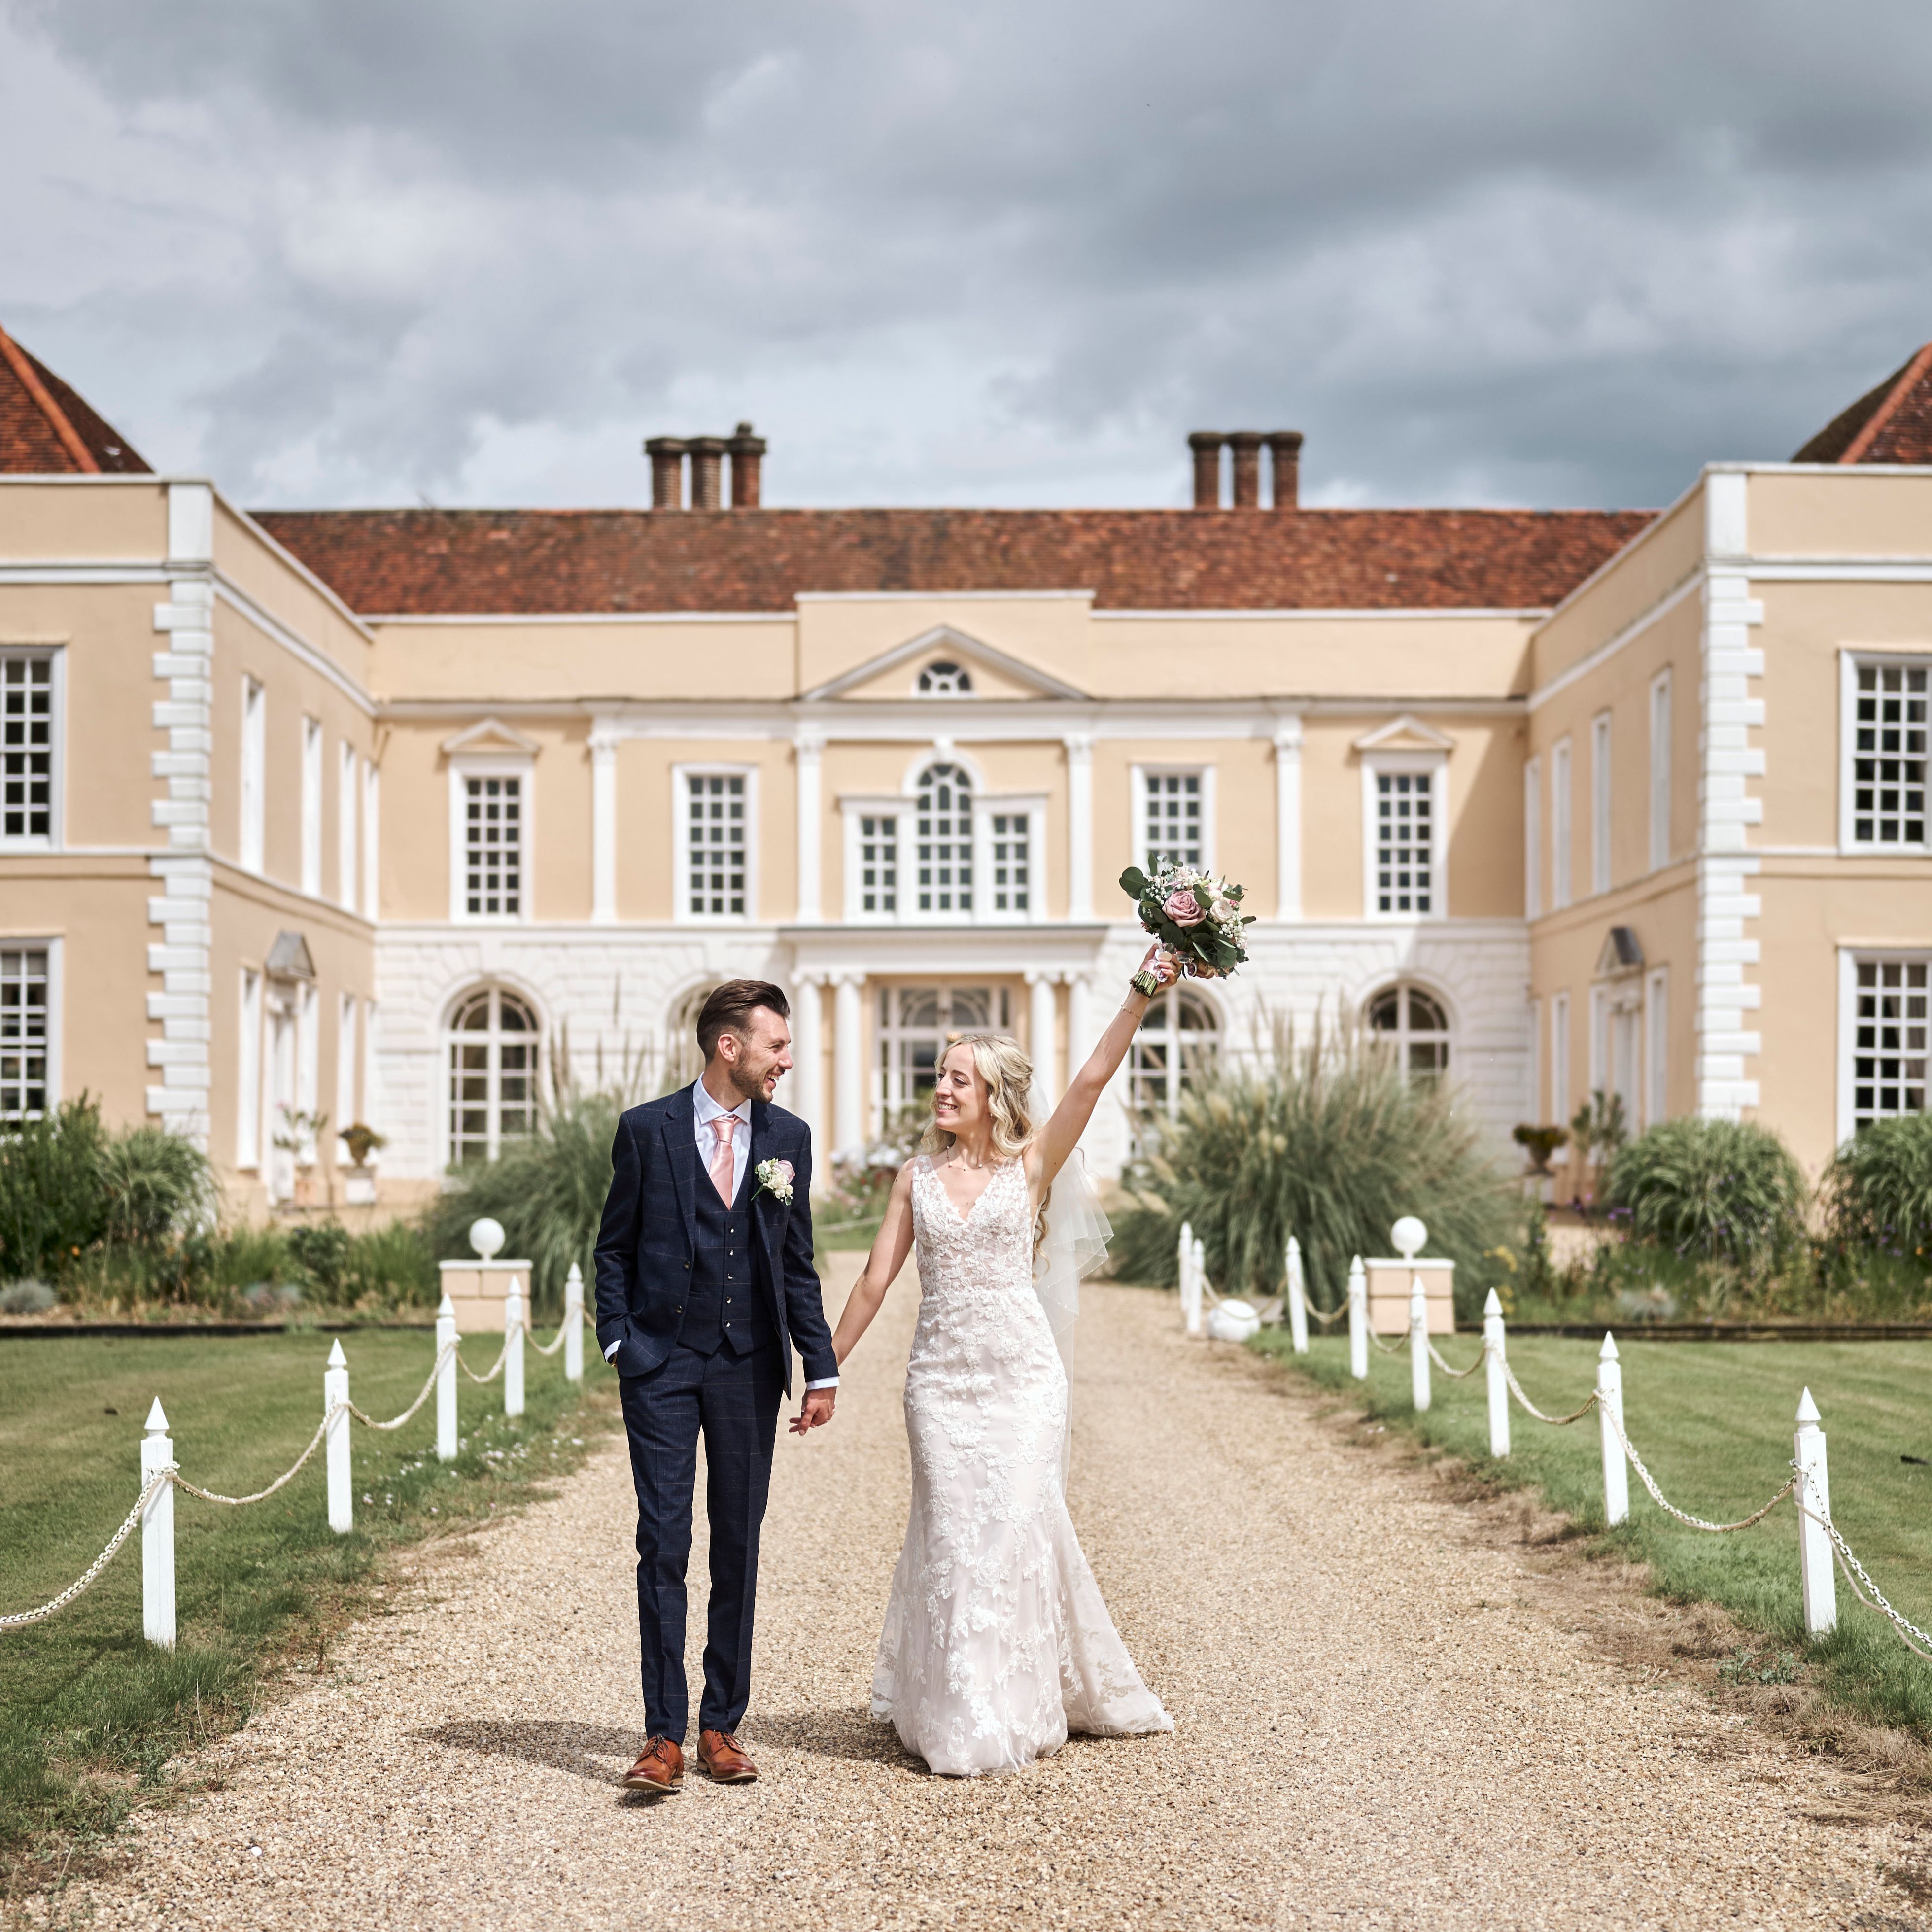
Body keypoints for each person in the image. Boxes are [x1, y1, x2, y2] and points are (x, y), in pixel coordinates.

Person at [823, 943, 1180, 1776]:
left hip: (1024, 1380)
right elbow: (876, 1281)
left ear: (995, 1095)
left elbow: (1091, 1080)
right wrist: (824, 1368)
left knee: (1014, 1530)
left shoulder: (1032, 1166)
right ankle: (955, 1711)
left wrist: (1140, 991)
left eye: (959, 1079)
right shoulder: (913, 1178)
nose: (943, 1088)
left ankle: (1016, 1705)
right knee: (952, 1536)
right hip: (940, 1385)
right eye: (940, 1075)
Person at [593, 979, 839, 1797]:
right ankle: (663, 1735)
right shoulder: (646, 1129)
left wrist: (820, 1366)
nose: (787, 1059)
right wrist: (619, 1338)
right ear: (728, 1046)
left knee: (738, 1542)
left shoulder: (789, 1138)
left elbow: (795, 1262)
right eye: (776, 1045)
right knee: (663, 1542)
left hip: (748, 1364)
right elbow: (614, 1249)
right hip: (660, 1364)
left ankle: (719, 1726)